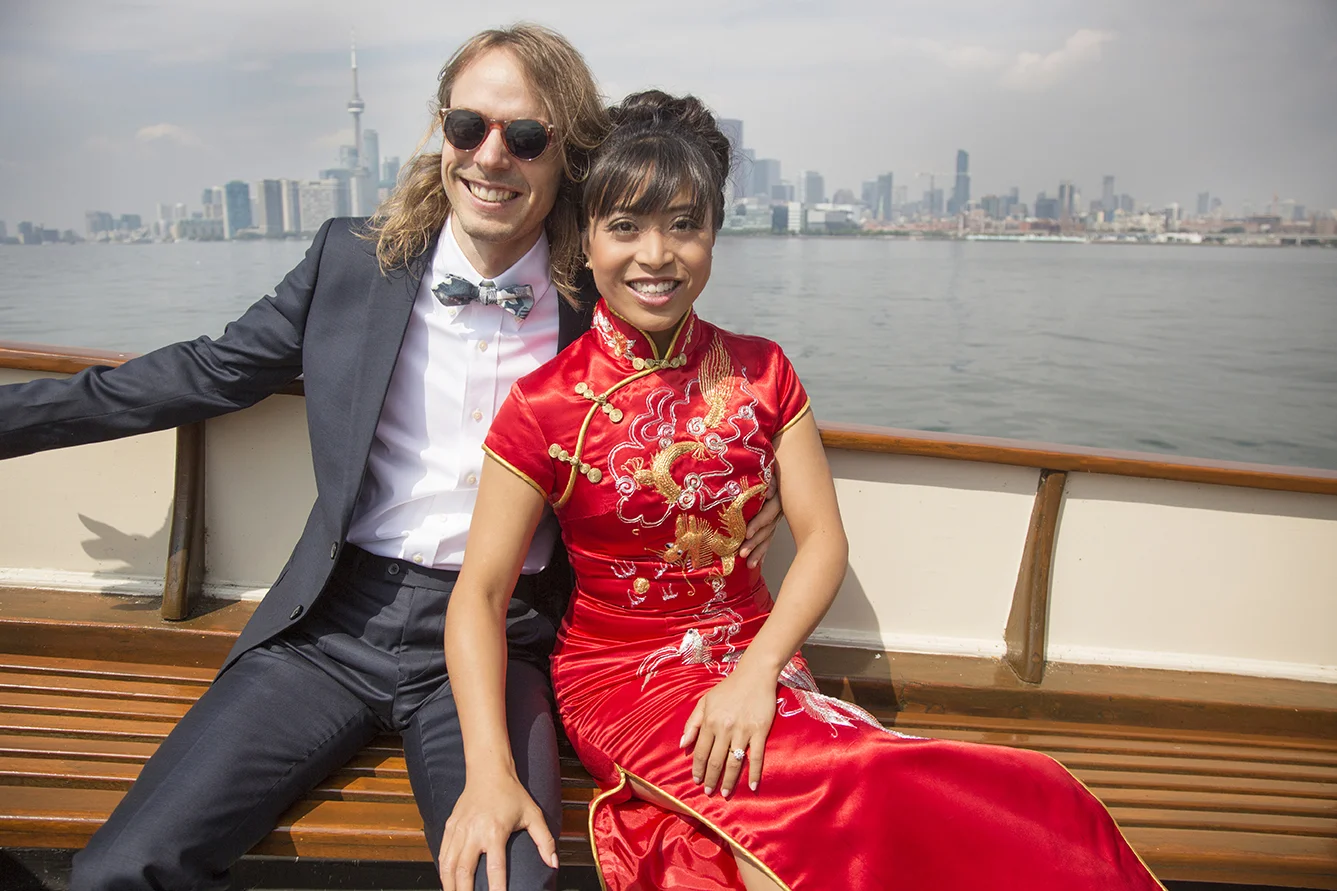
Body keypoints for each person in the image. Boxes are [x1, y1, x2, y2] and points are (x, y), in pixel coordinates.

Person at [0, 28, 781, 891]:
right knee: (122, 867)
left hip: (500, 635)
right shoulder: (352, 262)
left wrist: (750, 491)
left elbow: (702, 406)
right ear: (438, 133)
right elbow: (204, 371)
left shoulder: (597, 295)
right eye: (466, 126)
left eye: (525, 137)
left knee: (513, 879)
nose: (491, 156)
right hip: (333, 625)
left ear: (567, 157)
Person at [436, 90, 1168, 891]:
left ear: (714, 233)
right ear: (585, 237)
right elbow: (479, 591)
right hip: (622, 681)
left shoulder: (763, 371)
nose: (657, 254)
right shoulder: (544, 404)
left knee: (794, 830)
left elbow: (821, 540)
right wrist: (488, 772)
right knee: (819, 805)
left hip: (763, 658)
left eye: (685, 225)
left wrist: (756, 671)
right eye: (625, 227)